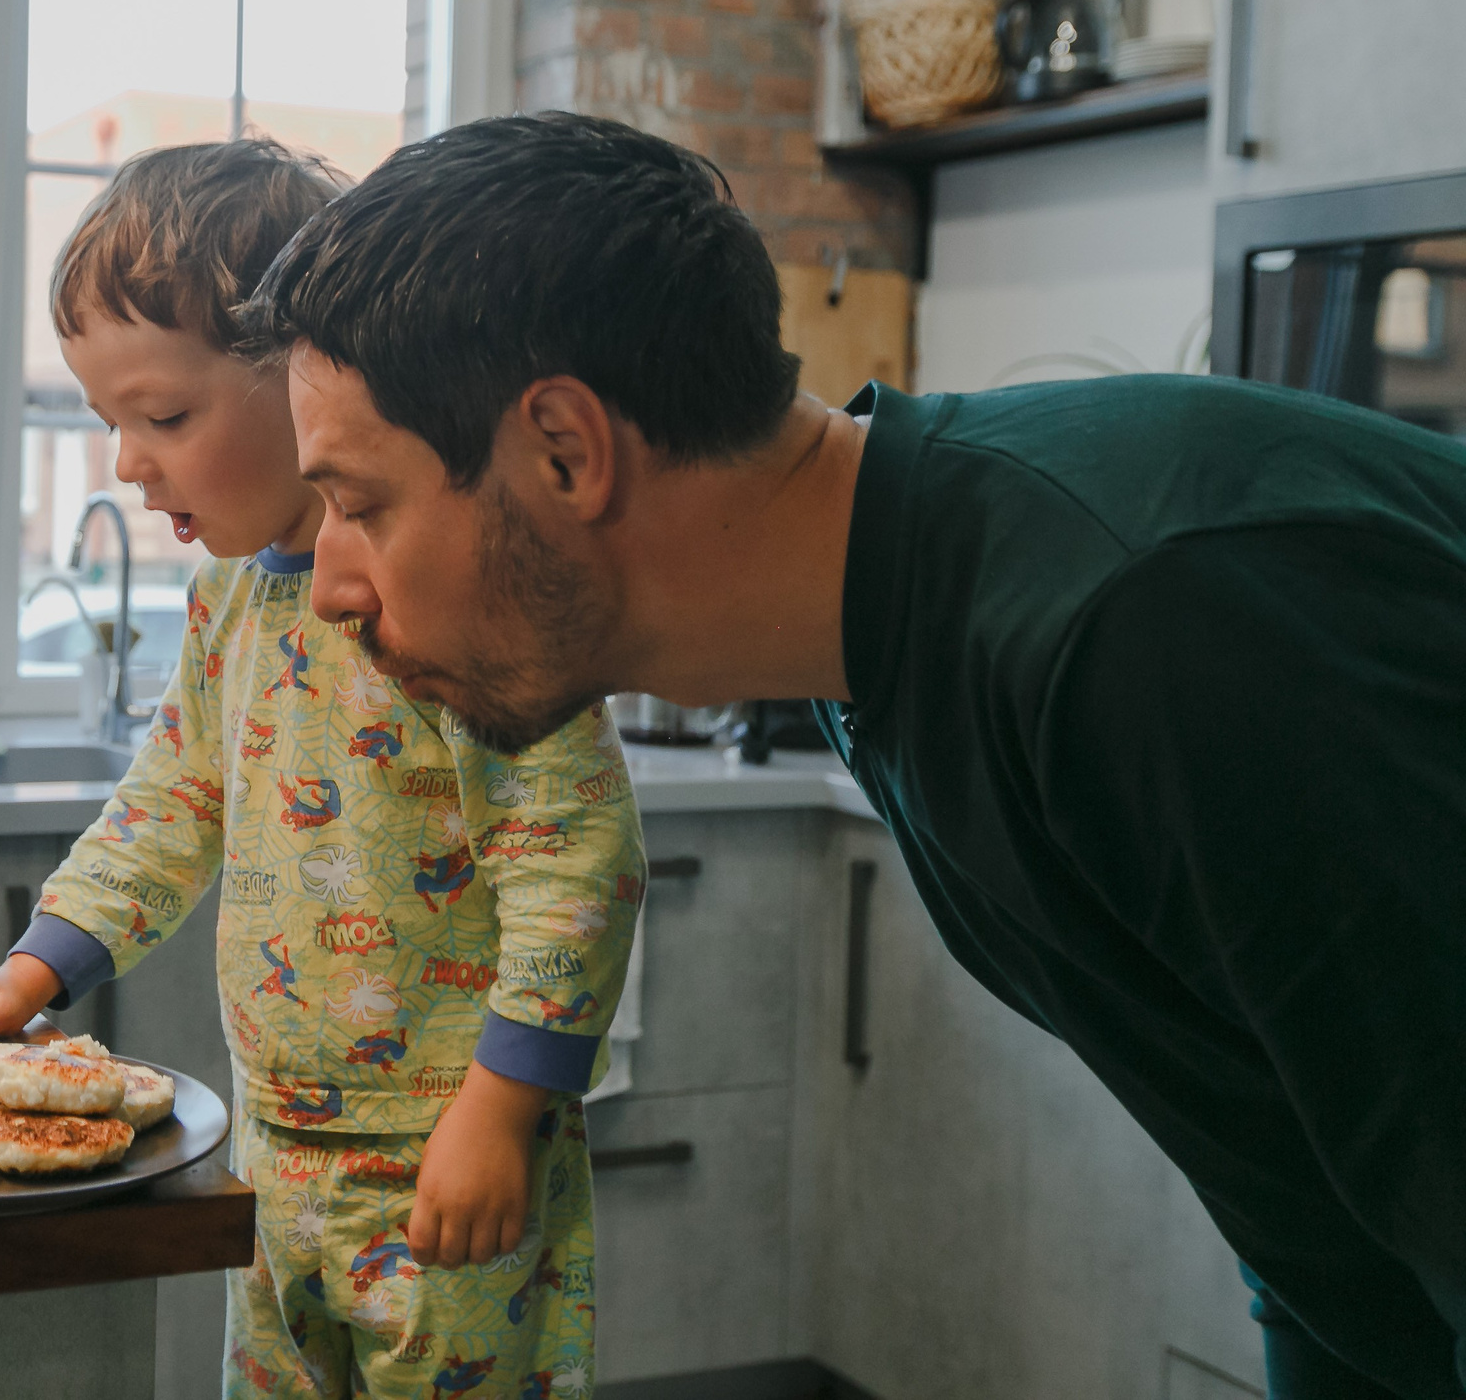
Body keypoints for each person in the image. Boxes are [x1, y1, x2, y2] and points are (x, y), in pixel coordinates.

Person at [236, 110, 1466, 1400]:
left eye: (360, 504)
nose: (328, 587)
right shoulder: (872, 640)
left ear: (566, 450)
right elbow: (1308, 1201)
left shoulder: (1148, 627)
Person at [0, 139, 644, 1400]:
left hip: (447, 1158)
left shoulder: (460, 588)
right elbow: (172, 803)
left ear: (310, 372)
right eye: (110, 424)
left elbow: (579, 857)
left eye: (167, 416)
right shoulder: (226, 606)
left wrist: (501, 1112)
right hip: (274, 1156)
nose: (129, 463)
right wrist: (34, 970)